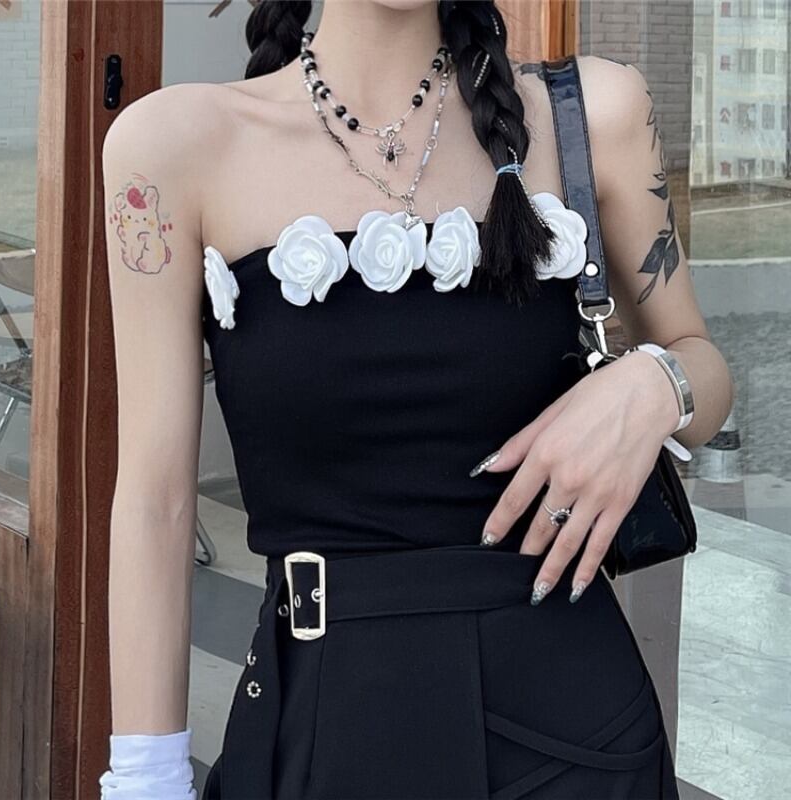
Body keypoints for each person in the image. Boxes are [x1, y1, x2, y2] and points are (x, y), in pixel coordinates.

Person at [98, 1, 734, 798]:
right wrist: (145, 781)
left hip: (574, 734)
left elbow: (703, 366)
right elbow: (155, 502)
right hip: (319, 722)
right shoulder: (171, 148)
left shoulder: (591, 113)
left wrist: (655, 384)